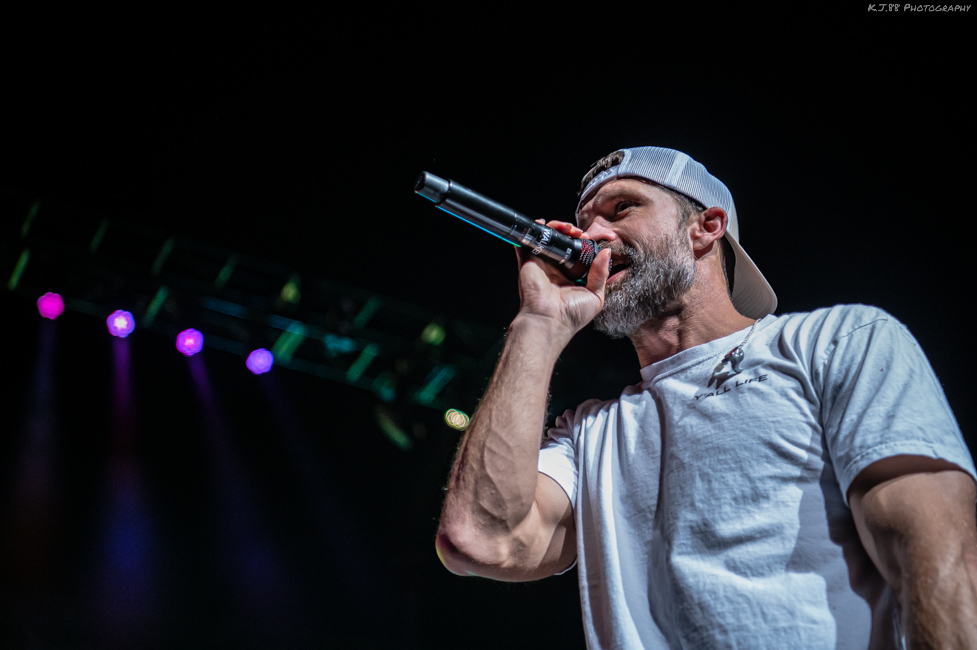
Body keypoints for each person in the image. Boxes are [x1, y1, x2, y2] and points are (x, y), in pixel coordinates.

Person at [434, 146, 977, 649]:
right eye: (585, 221)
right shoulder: (589, 435)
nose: (592, 234)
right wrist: (538, 323)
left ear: (706, 227)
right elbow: (481, 540)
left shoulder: (835, 341)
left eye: (622, 209)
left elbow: (933, 552)